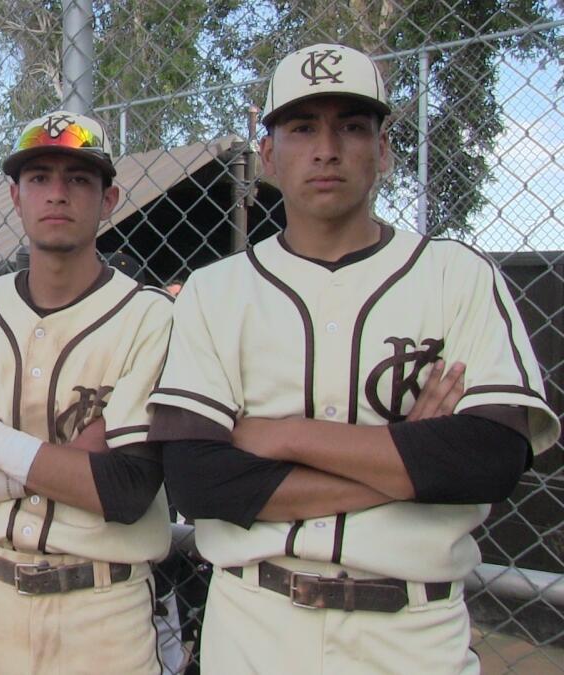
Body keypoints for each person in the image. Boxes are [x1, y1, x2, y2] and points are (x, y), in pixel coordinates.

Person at [147, 43, 560, 673]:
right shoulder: (215, 289)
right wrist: (407, 457)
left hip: (412, 633)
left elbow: (486, 461)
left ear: (385, 149)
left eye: (352, 126)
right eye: (303, 127)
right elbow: (201, 480)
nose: (327, 148)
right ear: (267, 155)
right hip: (255, 628)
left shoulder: (457, 275)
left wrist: (277, 436)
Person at [0, 110, 174, 674]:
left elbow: (126, 490)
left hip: (105, 615)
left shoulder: (151, 316)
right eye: (39, 178)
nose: (57, 193)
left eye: (78, 179)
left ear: (110, 198)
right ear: (14, 196)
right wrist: (71, 464)